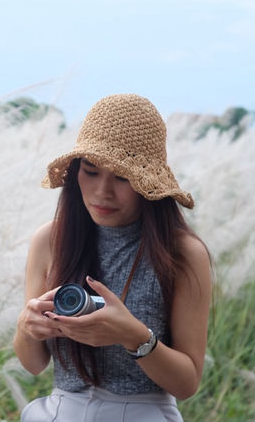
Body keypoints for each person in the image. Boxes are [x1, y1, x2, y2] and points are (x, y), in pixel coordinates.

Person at [13, 94, 211, 421]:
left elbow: (187, 383)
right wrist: (26, 326)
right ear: (75, 173)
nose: (102, 191)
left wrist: (134, 337)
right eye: (90, 171)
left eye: (121, 178)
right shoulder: (50, 239)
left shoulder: (182, 253)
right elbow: (34, 364)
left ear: (147, 183)